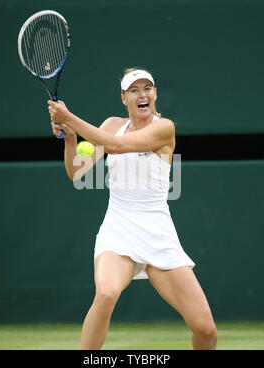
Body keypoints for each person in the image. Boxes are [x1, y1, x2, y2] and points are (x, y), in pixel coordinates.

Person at [48, 68, 218, 350]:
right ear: (124, 98)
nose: (143, 95)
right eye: (135, 90)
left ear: (155, 94)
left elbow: (115, 146)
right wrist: (68, 137)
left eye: (147, 88)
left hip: (157, 232)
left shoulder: (164, 128)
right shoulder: (111, 125)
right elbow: (76, 171)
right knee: (105, 294)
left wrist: (69, 118)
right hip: (118, 229)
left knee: (206, 330)